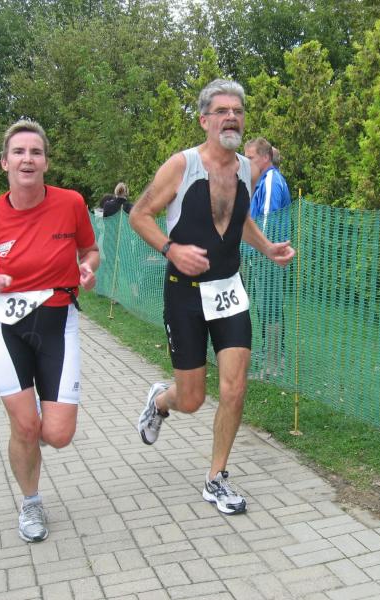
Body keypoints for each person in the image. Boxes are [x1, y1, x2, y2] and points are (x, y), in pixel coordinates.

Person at [129, 79, 295, 515]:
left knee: (235, 388)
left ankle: (216, 478)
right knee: (191, 399)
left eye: (237, 111)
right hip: (184, 294)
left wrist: (268, 247)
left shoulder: (248, 169)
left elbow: (238, 218)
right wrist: (171, 249)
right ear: (204, 120)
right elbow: (139, 214)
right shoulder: (181, 166)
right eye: (221, 111)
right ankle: (160, 401)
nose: (231, 117)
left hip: (229, 291)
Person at [0, 119, 99, 542]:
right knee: (24, 427)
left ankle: (36, 425)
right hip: (7, 328)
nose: (28, 159)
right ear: (5, 162)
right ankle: (31, 502)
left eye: (35, 152)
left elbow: (90, 250)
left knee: (57, 434)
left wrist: (88, 268)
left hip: (59, 323)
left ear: (45, 162)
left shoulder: (71, 203)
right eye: (19, 152)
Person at [243, 137, 292, 378]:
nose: (246, 163)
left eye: (250, 158)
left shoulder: (271, 180)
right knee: (266, 307)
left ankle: (273, 365)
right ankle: (272, 357)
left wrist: (262, 251)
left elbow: (265, 220)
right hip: (263, 256)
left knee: (269, 308)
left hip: (267, 257)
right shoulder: (260, 180)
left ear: (265, 157)